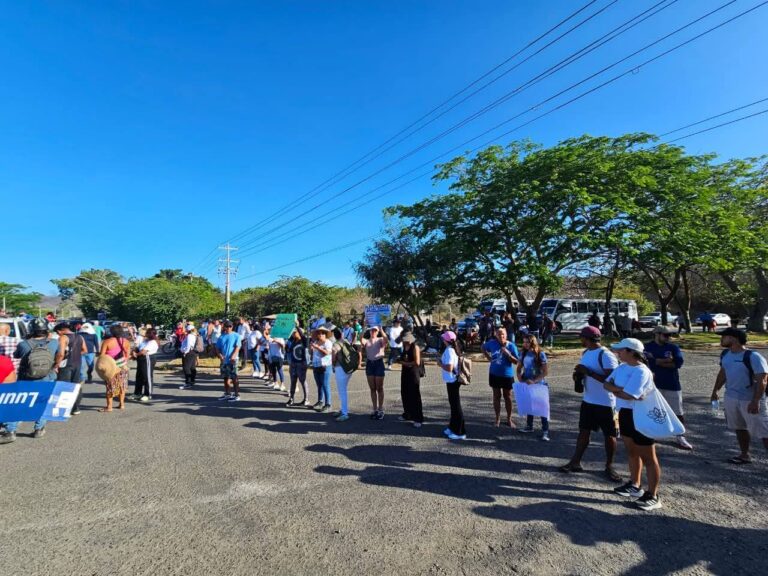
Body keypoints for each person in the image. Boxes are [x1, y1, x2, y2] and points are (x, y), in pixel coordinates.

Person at [603, 338, 662, 511]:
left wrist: (618, 390)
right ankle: (635, 485)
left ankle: (653, 495)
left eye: (621, 350)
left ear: (631, 352)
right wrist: (619, 391)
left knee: (649, 457)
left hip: (641, 415)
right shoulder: (622, 367)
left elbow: (630, 395)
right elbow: (607, 384)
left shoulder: (642, 371)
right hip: (625, 413)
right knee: (632, 451)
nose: (617, 353)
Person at [559, 326, 622, 482]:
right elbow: (584, 372)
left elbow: (613, 380)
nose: (580, 340)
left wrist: (589, 372)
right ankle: (575, 462)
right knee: (583, 432)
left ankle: (609, 466)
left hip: (607, 403)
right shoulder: (586, 353)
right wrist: (578, 376)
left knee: (610, 436)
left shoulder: (606, 355)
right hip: (589, 401)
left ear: (586, 338)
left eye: (581, 337)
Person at [710, 327, 768, 464]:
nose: (721, 339)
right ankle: (744, 455)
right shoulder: (725, 354)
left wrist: (756, 400)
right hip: (731, 397)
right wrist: (715, 391)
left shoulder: (753, 357)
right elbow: (723, 373)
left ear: (734, 339)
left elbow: (763, 380)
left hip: (750, 400)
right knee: (739, 427)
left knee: (764, 431)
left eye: (724, 336)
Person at [2, 318, 56, 442]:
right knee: (42, 404)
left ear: (31, 329)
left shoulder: (23, 344)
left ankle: (11, 431)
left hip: (26, 379)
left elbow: (16, 355)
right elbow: (59, 355)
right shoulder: (54, 343)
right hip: (47, 378)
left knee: (18, 404)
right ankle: (39, 429)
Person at [645, 325, 692, 450]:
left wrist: (657, 361)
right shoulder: (647, 347)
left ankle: (680, 435)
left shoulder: (673, 347)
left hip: (672, 384)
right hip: (653, 385)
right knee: (652, 411)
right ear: (657, 334)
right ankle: (652, 434)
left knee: (677, 412)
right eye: (666, 335)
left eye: (670, 335)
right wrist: (664, 361)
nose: (669, 337)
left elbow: (677, 364)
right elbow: (646, 363)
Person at [482, 327, 519, 428]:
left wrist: (509, 355)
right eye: (499, 334)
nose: (501, 336)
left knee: (508, 397)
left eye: (503, 334)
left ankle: (509, 419)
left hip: (507, 375)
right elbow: (483, 347)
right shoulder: (492, 343)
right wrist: (488, 357)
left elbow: (517, 362)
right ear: (496, 335)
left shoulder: (511, 346)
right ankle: (497, 418)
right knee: (496, 396)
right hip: (494, 374)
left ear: (506, 335)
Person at [517, 334, 550, 440]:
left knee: (542, 408)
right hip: (527, 382)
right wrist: (519, 377)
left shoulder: (540, 354)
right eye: (524, 341)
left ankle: (545, 431)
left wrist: (535, 380)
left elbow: (545, 372)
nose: (525, 344)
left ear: (532, 342)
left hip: (539, 384)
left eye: (527, 342)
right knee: (529, 405)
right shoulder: (523, 353)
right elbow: (519, 367)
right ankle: (529, 426)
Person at [53, 322, 87, 414]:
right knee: (75, 386)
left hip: (66, 365)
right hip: (77, 364)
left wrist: (56, 364)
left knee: (64, 386)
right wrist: (75, 354)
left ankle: (64, 409)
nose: (57, 334)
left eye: (57, 332)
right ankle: (75, 408)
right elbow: (85, 350)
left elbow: (61, 354)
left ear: (60, 331)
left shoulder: (63, 337)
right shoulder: (80, 337)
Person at [98, 324, 131, 412]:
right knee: (122, 386)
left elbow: (102, 356)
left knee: (110, 386)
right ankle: (122, 404)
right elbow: (127, 356)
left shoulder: (107, 342)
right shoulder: (126, 342)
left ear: (112, 332)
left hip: (110, 368)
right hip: (123, 367)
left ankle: (109, 407)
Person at [440, 331, 465, 440]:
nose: (442, 340)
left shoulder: (450, 350)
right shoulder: (452, 349)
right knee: (453, 405)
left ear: (446, 340)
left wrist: (440, 364)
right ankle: (452, 427)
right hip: (451, 380)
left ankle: (460, 432)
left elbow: (449, 368)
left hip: (453, 381)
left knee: (456, 406)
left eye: (443, 338)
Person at [362, 326, 389, 420]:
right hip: (369, 364)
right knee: (372, 388)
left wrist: (381, 330)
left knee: (379, 388)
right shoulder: (367, 341)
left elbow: (386, 340)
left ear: (377, 332)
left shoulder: (380, 339)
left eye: (375, 330)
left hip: (378, 363)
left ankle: (381, 409)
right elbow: (361, 339)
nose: (373, 332)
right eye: (372, 330)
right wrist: (363, 328)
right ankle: (375, 409)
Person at [399, 332, 424, 428]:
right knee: (404, 393)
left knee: (414, 395)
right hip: (405, 372)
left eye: (406, 339)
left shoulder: (415, 347)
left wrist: (405, 363)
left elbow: (417, 362)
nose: (404, 341)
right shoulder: (404, 346)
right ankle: (407, 414)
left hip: (413, 373)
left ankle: (418, 417)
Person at [215, 320, 242, 402]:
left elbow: (238, 347)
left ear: (232, 327)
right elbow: (217, 348)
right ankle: (227, 393)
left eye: (230, 326)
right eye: (227, 326)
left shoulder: (236, 335)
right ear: (224, 327)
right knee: (225, 378)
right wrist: (220, 355)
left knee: (234, 377)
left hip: (233, 360)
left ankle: (237, 395)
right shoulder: (221, 337)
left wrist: (233, 356)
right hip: (224, 361)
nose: (228, 328)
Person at [310, 324, 333, 412]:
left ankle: (328, 404)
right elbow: (313, 354)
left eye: (322, 333)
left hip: (325, 366)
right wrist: (312, 349)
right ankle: (320, 401)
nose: (320, 335)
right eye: (319, 333)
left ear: (326, 334)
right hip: (316, 365)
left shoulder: (328, 342)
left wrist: (318, 348)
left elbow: (327, 353)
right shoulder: (316, 342)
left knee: (325, 384)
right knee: (319, 385)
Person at [331, 327, 352, 422]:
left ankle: (344, 413)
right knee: (343, 390)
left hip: (340, 369)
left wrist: (333, 365)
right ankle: (342, 410)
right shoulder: (346, 341)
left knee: (342, 391)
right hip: (349, 368)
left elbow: (333, 358)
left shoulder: (335, 344)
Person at [132, 328, 158, 402]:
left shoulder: (152, 342)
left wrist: (136, 354)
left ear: (151, 334)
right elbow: (138, 347)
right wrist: (134, 351)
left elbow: (144, 351)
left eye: (148, 333)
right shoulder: (146, 340)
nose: (146, 334)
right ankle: (137, 393)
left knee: (147, 376)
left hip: (148, 358)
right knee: (139, 376)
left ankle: (147, 394)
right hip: (141, 359)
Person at [286, 324, 309, 407]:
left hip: (301, 364)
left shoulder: (303, 341)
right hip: (293, 364)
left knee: (303, 381)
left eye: (294, 332)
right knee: (293, 382)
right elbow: (289, 350)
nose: (293, 334)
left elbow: (302, 335)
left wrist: (297, 326)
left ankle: (306, 399)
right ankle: (291, 399)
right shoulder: (293, 341)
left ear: (299, 333)